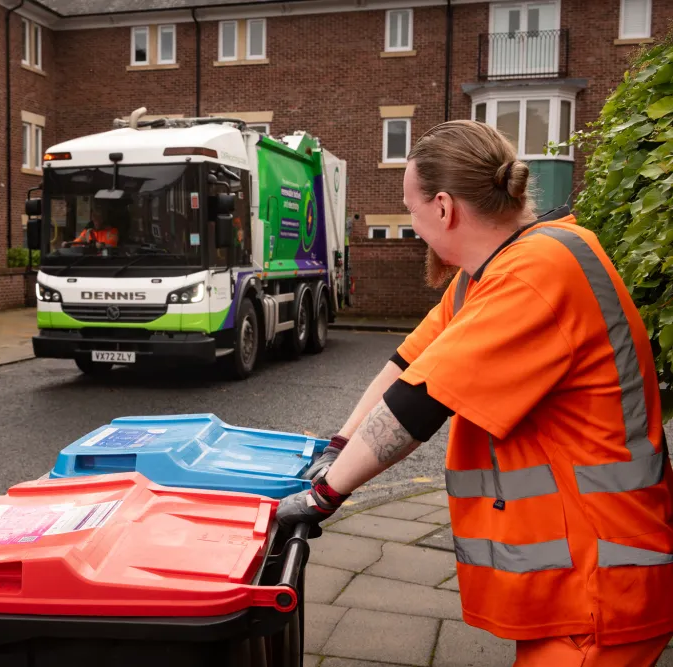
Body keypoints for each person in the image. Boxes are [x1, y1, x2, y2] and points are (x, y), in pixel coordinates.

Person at [277, 120, 673, 666]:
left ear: (443, 207)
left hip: (603, 581)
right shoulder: (484, 275)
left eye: (410, 210)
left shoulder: (538, 270)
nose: (414, 227)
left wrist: (324, 496)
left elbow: (420, 403)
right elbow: (406, 364)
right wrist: (338, 445)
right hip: (572, 575)